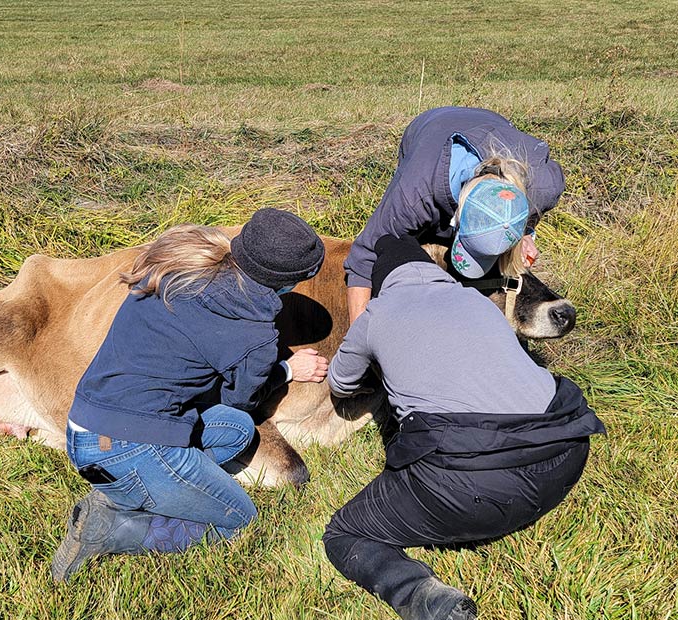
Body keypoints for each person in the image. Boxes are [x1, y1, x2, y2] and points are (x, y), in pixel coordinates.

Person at [323, 235, 605, 620]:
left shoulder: (375, 314)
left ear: (382, 282)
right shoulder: (477, 299)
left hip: (471, 489)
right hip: (566, 451)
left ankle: (429, 601)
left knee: (345, 534)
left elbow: (340, 384)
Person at [52, 208, 329, 581]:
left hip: (86, 423)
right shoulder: (254, 335)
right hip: (128, 445)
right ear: (288, 283)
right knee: (238, 519)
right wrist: (287, 369)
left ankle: (137, 487)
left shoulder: (182, 265)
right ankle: (112, 526)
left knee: (236, 431)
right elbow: (241, 401)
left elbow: (232, 414)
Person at [344, 106, 565, 324]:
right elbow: (363, 258)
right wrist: (363, 339)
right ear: (456, 221)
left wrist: (524, 232)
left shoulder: (545, 188)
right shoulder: (415, 195)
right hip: (432, 126)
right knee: (411, 241)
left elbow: (527, 218)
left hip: (492, 124)